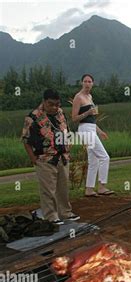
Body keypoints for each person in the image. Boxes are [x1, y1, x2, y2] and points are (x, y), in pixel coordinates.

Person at [21, 89, 80, 225]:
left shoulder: (60, 114)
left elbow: (67, 131)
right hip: (45, 158)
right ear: (44, 102)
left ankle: (65, 213)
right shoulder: (33, 117)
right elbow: (26, 140)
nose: (54, 107)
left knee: (63, 187)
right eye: (50, 104)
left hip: (62, 157)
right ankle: (51, 216)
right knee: (48, 190)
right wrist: (33, 159)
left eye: (57, 104)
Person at [72, 74, 114, 197]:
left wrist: (100, 131)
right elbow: (74, 118)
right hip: (84, 129)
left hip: (91, 128)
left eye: (89, 81)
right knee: (105, 157)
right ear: (81, 83)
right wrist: (88, 112)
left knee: (94, 160)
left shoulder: (90, 96)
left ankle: (89, 189)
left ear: (92, 84)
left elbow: (92, 120)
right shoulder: (78, 98)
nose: (87, 83)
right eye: (85, 81)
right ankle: (102, 187)